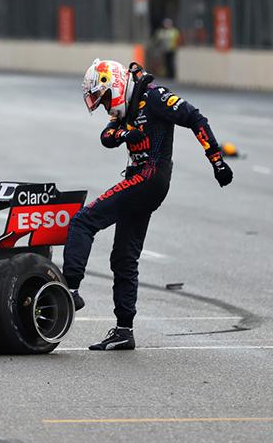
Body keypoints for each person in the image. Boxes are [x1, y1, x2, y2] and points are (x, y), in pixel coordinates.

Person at [65, 59, 233, 351]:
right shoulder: (128, 103)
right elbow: (106, 137)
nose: (105, 106)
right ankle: (124, 330)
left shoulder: (154, 96)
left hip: (150, 177)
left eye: (104, 99)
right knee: (123, 257)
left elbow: (196, 118)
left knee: (83, 221)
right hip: (141, 179)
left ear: (113, 84)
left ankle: (69, 290)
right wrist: (125, 134)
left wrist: (216, 160)